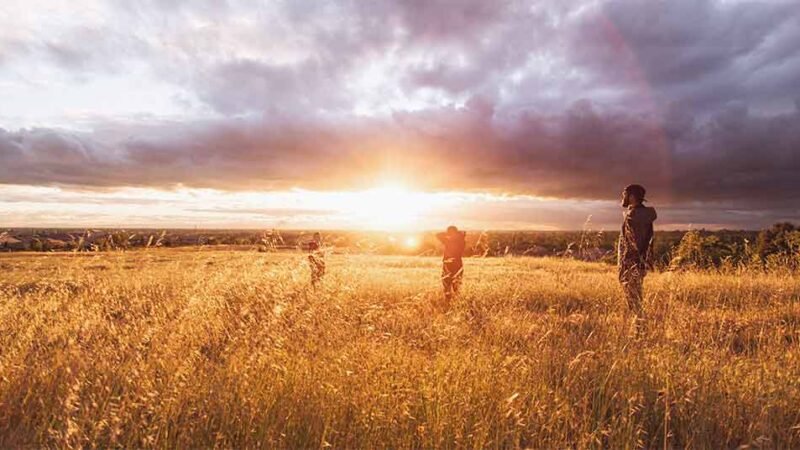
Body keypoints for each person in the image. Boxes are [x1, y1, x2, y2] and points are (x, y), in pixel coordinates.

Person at [618, 184, 657, 334]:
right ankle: (639, 329)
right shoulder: (642, 215)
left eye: (625, 194)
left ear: (632, 196)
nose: (623, 198)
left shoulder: (634, 216)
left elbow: (634, 243)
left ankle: (640, 331)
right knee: (635, 297)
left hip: (631, 263)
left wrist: (627, 264)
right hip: (638, 262)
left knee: (633, 299)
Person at [436, 225, 466, 303]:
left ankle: (450, 301)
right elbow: (438, 235)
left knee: (450, 283)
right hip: (457, 264)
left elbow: (438, 235)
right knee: (453, 284)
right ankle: (453, 301)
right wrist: (458, 234)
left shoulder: (450, 241)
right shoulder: (461, 240)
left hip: (451, 265)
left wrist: (448, 234)